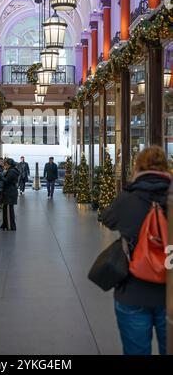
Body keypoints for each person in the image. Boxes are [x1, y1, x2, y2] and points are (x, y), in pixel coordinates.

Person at [101, 146, 171, 355]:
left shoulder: (128, 197)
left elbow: (107, 219)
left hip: (133, 291)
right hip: (170, 292)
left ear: (138, 167)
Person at [0, 159, 20, 230]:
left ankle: (10, 226)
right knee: (6, 209)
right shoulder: (13, 170)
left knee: (8, 211)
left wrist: (1, 176)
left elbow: (7, 181)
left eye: (6, 164)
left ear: (9, 164)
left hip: (9, 193)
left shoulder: (11, 171)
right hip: (10, 192)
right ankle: (5, 225)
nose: (5, 166)